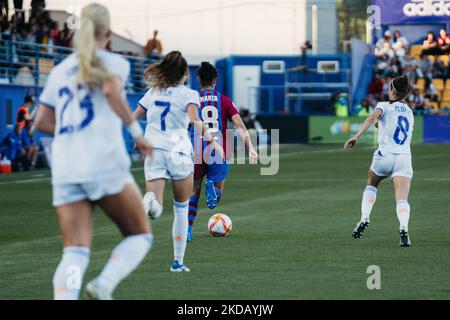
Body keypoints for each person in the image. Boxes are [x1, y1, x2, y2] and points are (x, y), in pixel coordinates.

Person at [33, 3, 154, 300]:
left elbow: (41, 122)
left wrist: (72, 131)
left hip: (66, 167)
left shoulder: (59, 71)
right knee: (140, 235)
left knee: (75, 252)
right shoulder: (115, 64)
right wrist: (138, 134)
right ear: (108, 33)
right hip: (103, 162)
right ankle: (104, 284)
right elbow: (111, 92)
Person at [133, 51, 223, 272]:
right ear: (184, 72)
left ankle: (149, 202)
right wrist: (214, 142)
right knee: (181, 209)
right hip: (179, 153)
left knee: (157, 207)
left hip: (153, 151)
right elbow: (195, 121)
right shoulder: (189, 94)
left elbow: (132, 117)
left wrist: (138, 138)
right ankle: (178, 262)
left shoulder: (152, 92)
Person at [186, 62, 259, 242]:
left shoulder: (192, 101)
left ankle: (187, 229)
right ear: (215, 80)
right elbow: (240, 125)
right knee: (218, 186)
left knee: (193, 189)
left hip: (196, 147)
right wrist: (251, 149)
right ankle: (213, 188)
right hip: (219, 148)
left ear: (198, 79)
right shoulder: (224, 100)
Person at [344, 75, 414, 247]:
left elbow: (371, 119)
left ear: (392, 90)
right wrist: (381, 126)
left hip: (384, 157)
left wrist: (356, 136)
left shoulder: (383, 106)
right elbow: (395, 127)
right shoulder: (410, 112)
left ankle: (364, 217)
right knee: (402, 197)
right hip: (404, 158)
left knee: (371, 183)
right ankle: (404, 228)